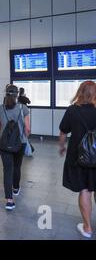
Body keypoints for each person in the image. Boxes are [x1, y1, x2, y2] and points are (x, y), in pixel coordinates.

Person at [59, 81, 96, 239]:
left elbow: (63, 132)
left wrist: (62, 147)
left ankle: (87, 228)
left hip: (78, 157)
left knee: (85, 190)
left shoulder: (73, 110)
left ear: (80, 92)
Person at [0, 85, 31, 211]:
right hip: (19, 144)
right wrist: (23, 137)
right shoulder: (23, 108)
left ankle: (9, 201)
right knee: (17, 166)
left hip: (4, 145)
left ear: (6, 94)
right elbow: (28, 129)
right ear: (17, 95)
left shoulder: (0, 109)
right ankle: (16, 188)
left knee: (7, 170)